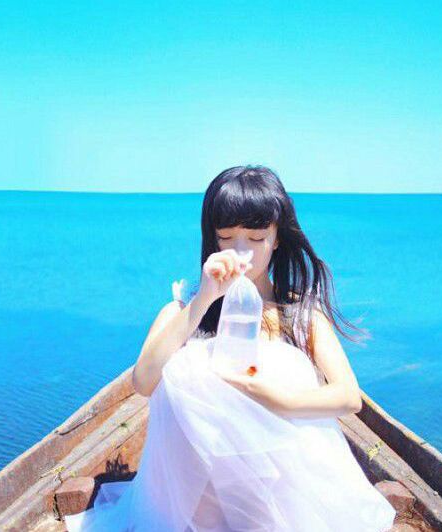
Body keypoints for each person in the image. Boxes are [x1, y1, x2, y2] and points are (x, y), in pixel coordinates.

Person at [65, 165, 396, 531]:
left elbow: (348, 396)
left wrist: (278, 399)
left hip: (278, 500)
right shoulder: (184, 309)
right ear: (213, 238)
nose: (241, 252)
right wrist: (206, 297)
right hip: (197, 506)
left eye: (256, 238)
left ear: (277, 238)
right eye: (226, 237)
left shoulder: (300, 314)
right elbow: (143, 382)